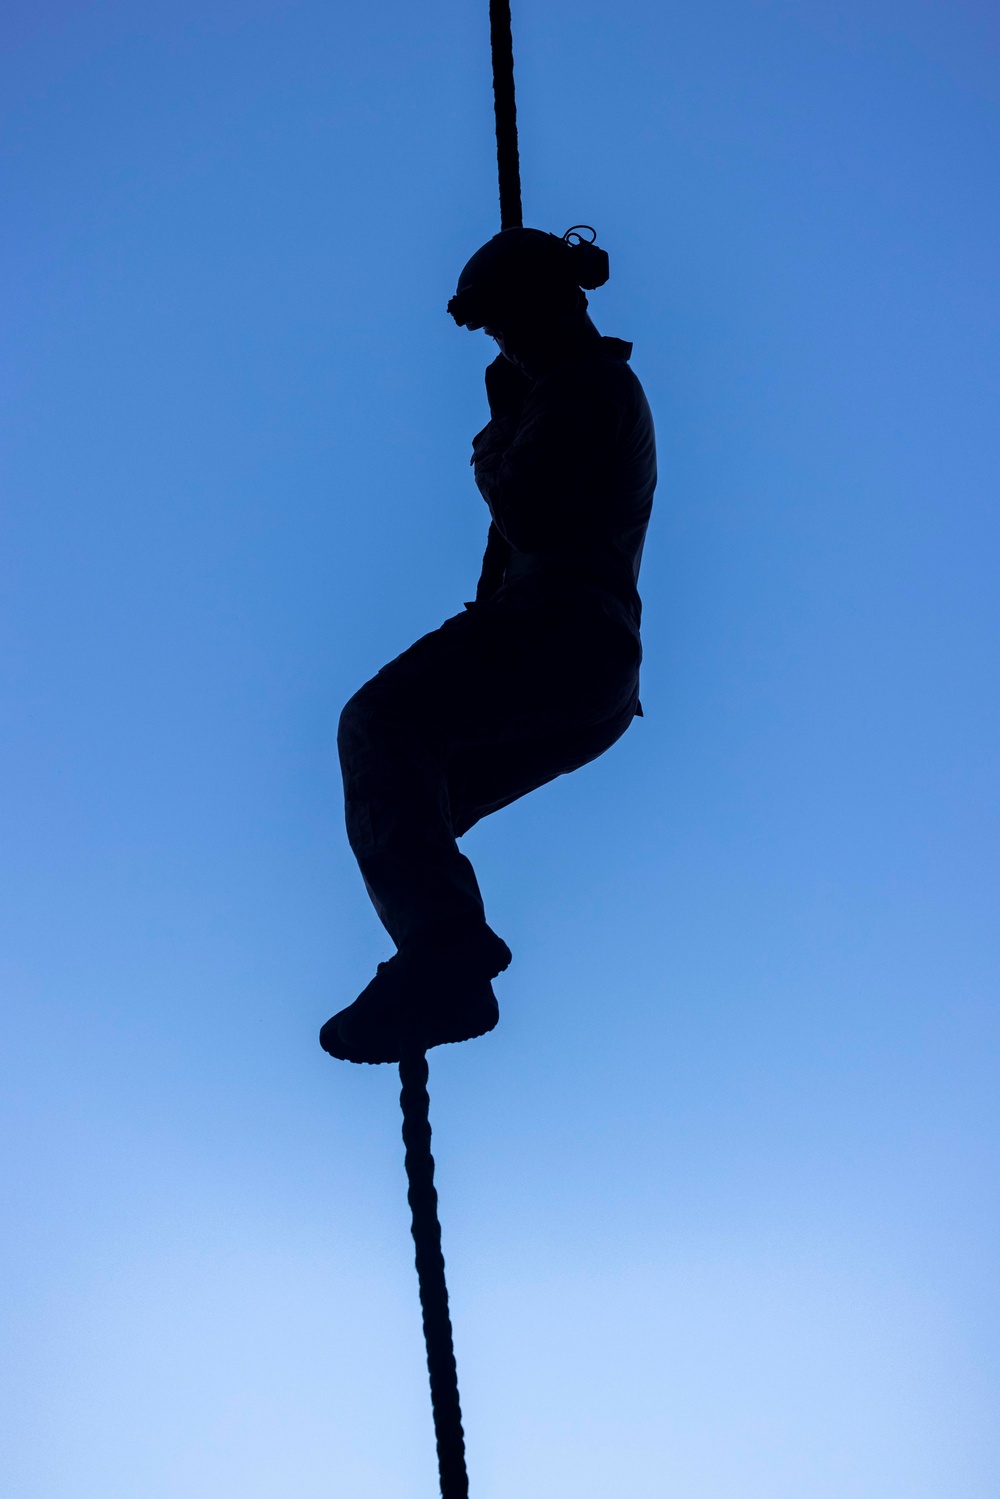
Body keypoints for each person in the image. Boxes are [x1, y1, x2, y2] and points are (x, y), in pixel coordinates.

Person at [320, 226, 656, 1064]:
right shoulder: (577, 391)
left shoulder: (584, 388)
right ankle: (440, 959)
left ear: (553, 306)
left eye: (506, 320)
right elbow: (519, 542)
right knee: (410, 799)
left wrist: (496, 436)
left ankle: (446, 957)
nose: (503, 339)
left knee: (378, 725)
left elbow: (531, 511)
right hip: (591, 669)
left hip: (566, 635)